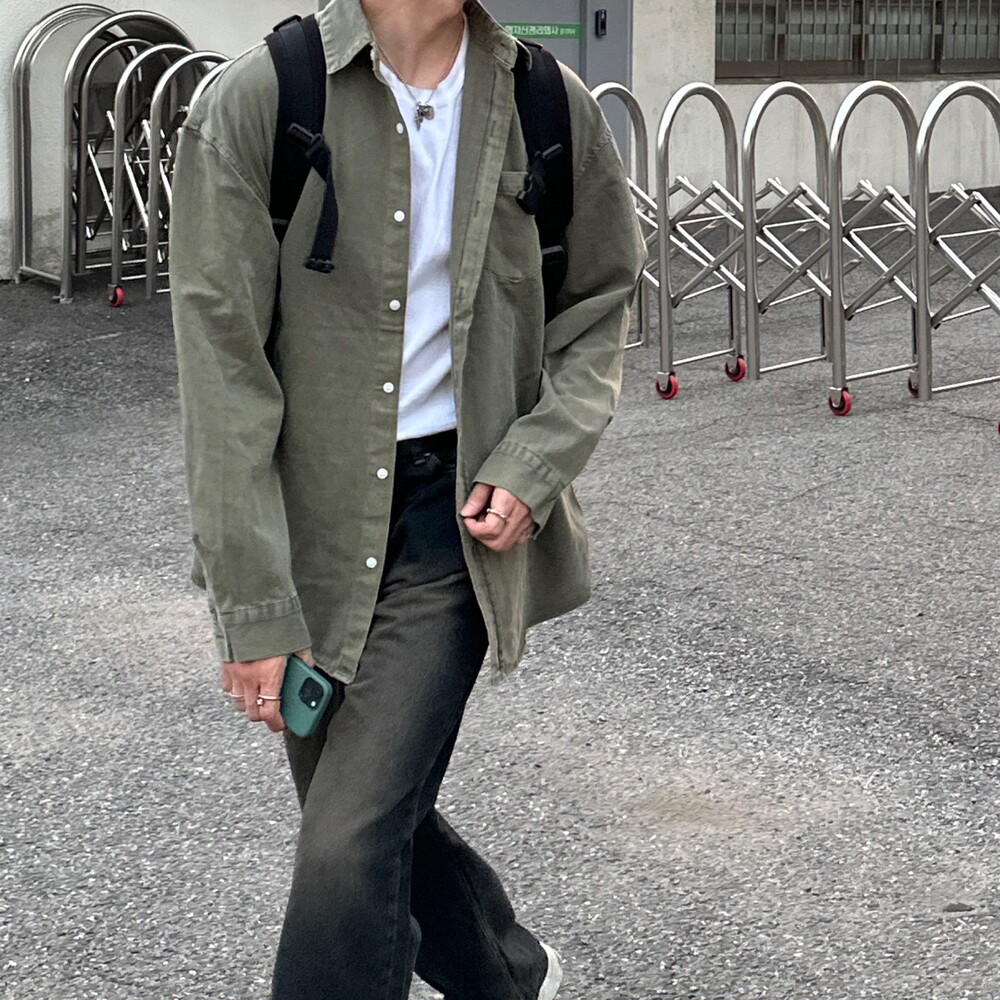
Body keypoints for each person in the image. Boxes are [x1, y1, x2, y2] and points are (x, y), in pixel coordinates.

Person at [169, 0, 644, 996]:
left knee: (346, 841)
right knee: (369, 823)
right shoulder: (262, 100)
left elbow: (601, 300)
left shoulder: (543, 103)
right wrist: (253, 603)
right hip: (308, 526)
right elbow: (223, 377)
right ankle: (510, 975)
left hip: (451, 525)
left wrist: (537, 460)